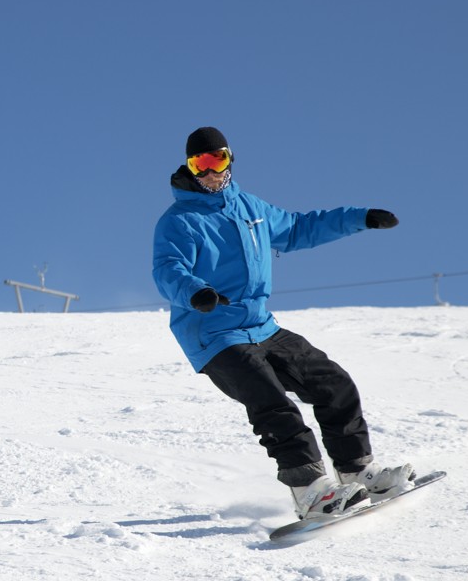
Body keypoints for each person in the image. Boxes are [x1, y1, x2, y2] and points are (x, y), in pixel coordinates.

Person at [152, 126, 414, 520]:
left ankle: (357, 470)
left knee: (333, 383)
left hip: (261, 326)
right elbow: (168, 269)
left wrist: (360, 218)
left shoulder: (249, 207)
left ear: (229, 159)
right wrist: (195, 292)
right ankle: (310, 490)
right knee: (271, 402)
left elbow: (297, 228)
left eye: (216, 160)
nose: (210, 172)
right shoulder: (180, 220)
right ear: (189, 167)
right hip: (213, 333)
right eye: (200, 164)